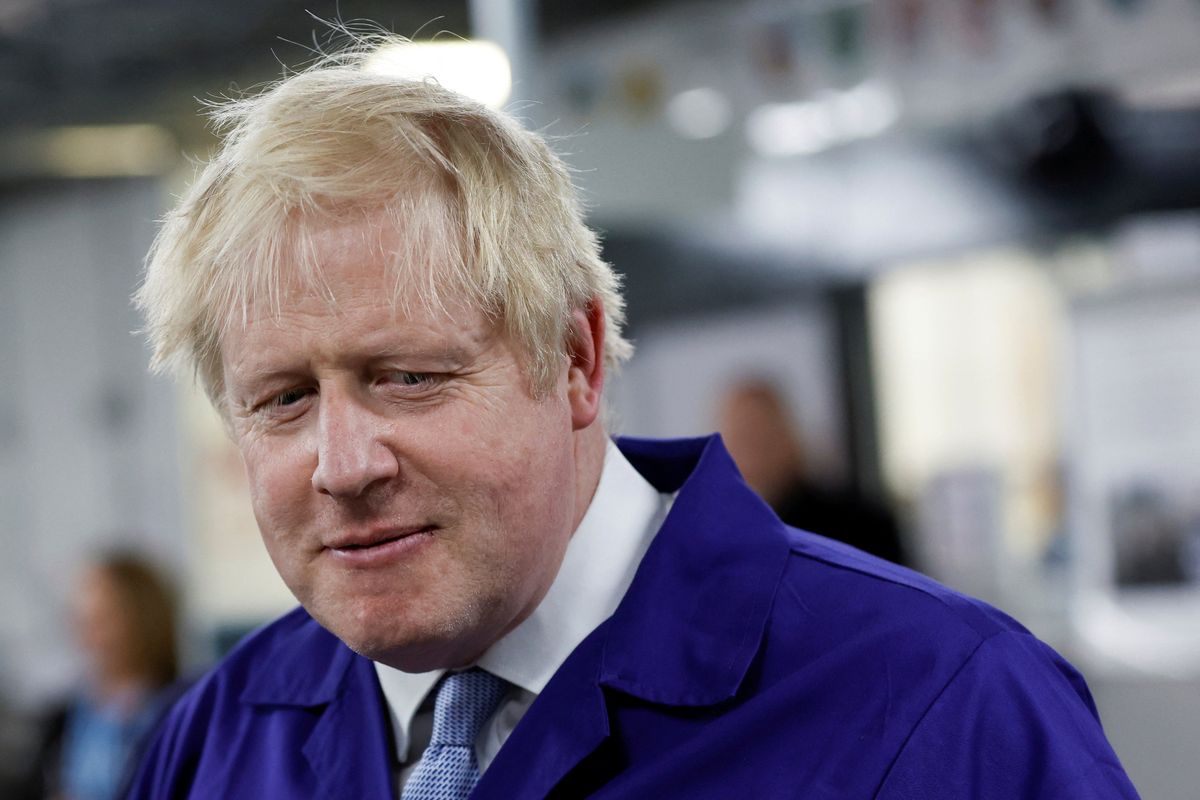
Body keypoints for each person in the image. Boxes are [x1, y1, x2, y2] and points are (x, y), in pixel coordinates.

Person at [126, 37, 1139, 799]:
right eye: (285, 398)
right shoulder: (218, 740)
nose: (341, 464)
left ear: (575, 357)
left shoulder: (939, 708)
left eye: (408, 377)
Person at [716, 377, 909, 566]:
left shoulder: (861, 524)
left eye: (761, 437)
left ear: (788, 438)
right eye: (741, 438)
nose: (752, 453)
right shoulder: (715, 538)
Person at [34, 553, 180, 800]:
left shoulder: (178, 708)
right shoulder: (67, 715)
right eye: (83, 620)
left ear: (142, 620)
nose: (89, 636)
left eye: (103, 619)